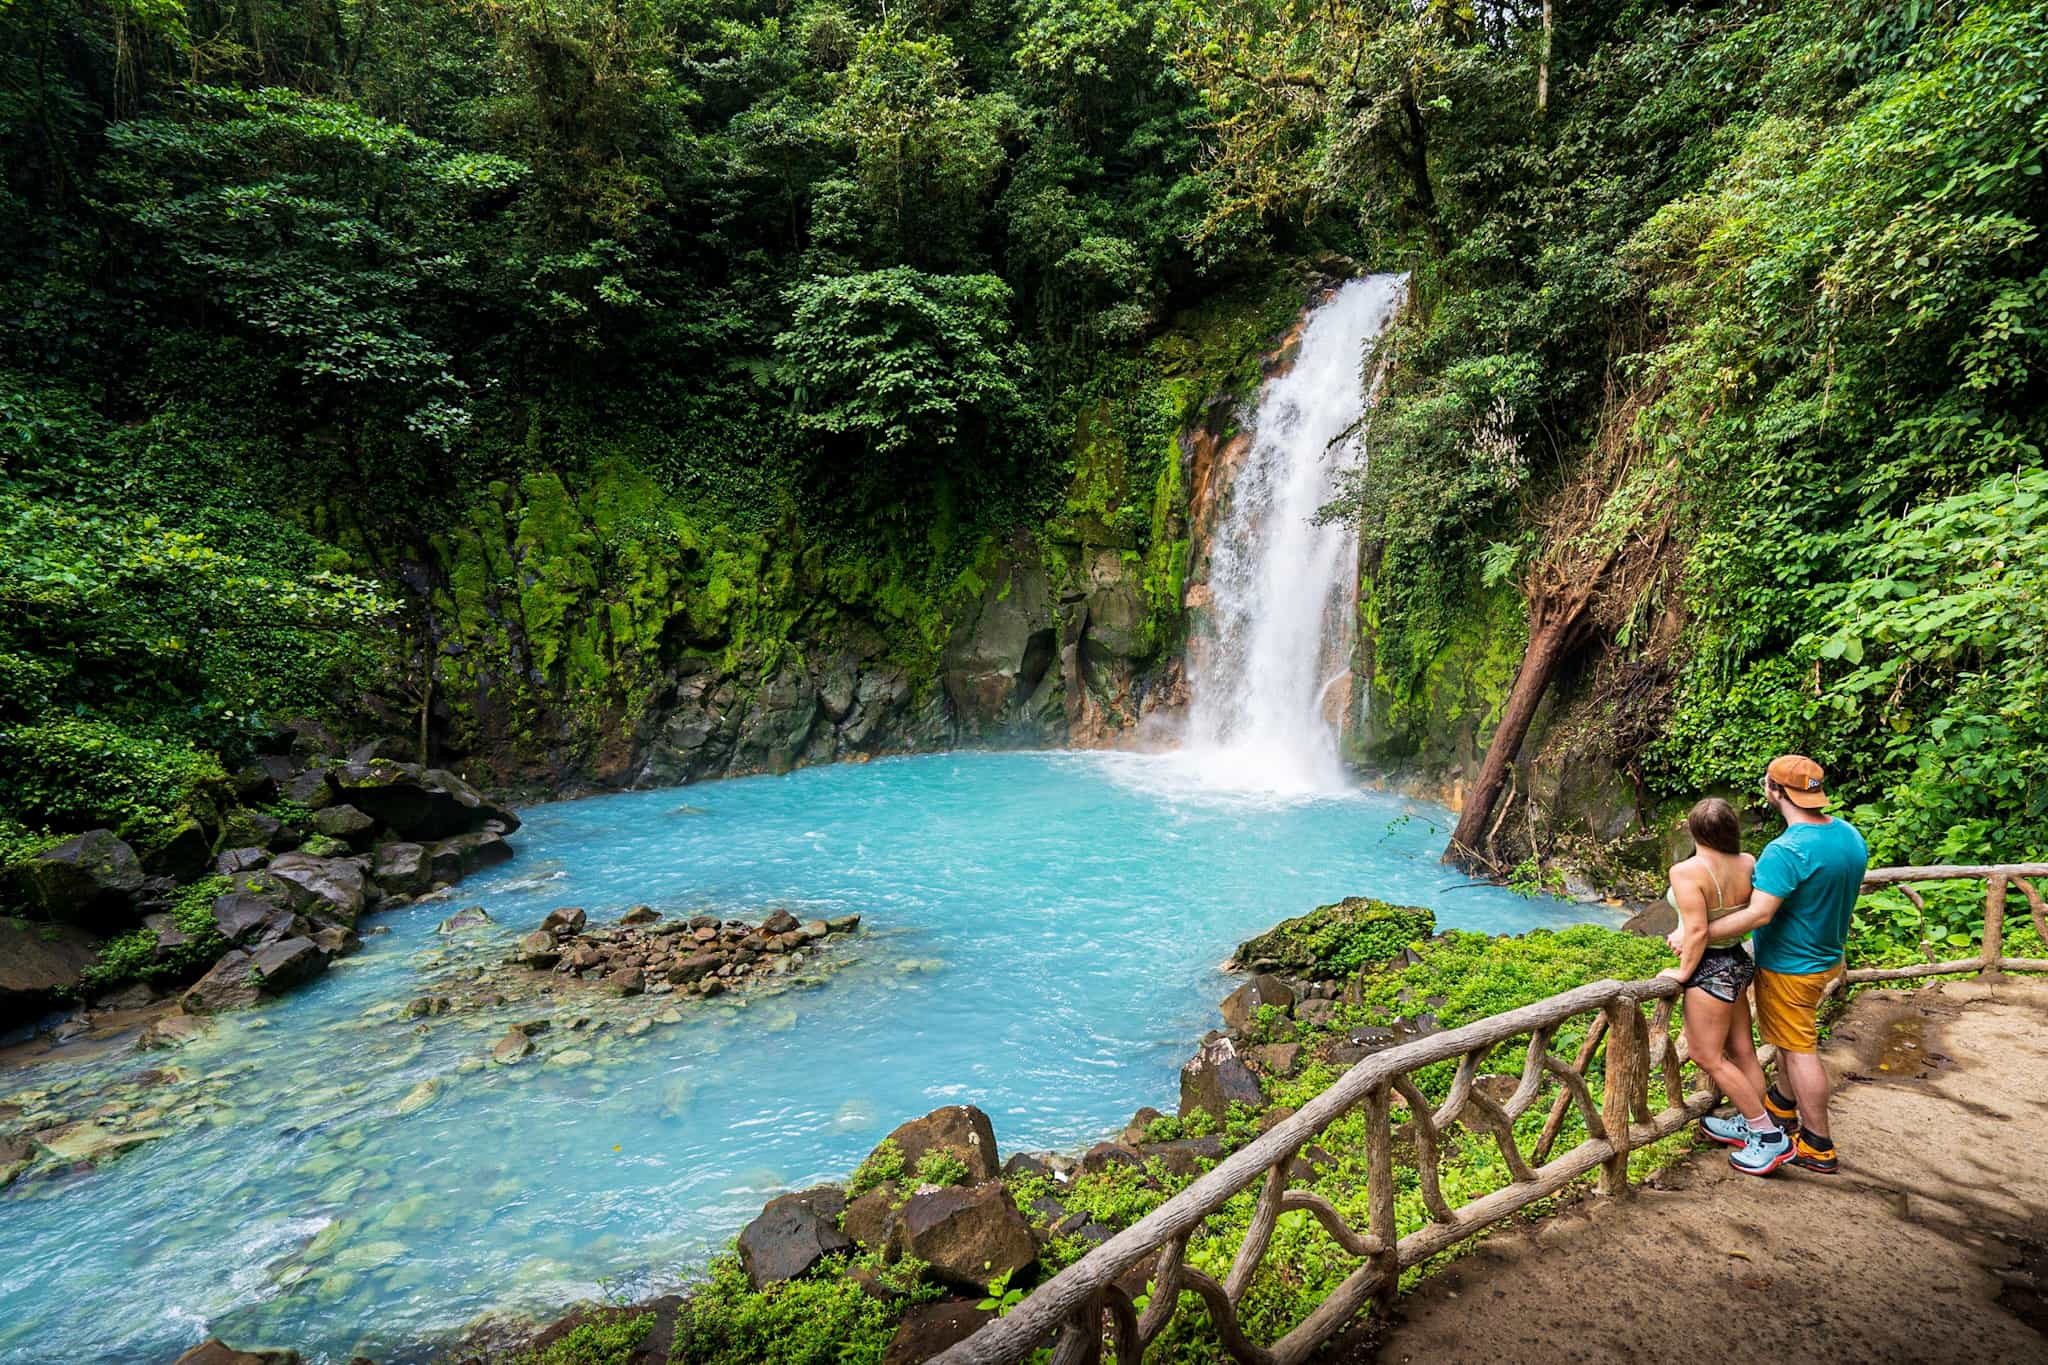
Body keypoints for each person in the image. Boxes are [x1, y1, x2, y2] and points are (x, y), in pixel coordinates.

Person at [1681, 754, 1868, 1177]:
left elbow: (1759, 914)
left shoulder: (1786, 850)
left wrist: (1700, 934)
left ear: (1775, 791)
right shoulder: (1848, 835)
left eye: (1767, 782)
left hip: (1791, 964)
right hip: (1826, 955)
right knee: (1787, 1041)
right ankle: (1779, 1111)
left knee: (1799, 1051)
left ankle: (1817, 1144)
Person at [1655, 799, 1778, 1166]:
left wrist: (1682, 973)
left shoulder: (1685, 871)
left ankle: (1767, 1135)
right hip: (1738, 961)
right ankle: (1751, 1120)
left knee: (1705, 1055)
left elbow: (1697, 930)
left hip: (1710, 969)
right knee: (1742, 1051)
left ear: (1694, 831)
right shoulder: (1748, 862)